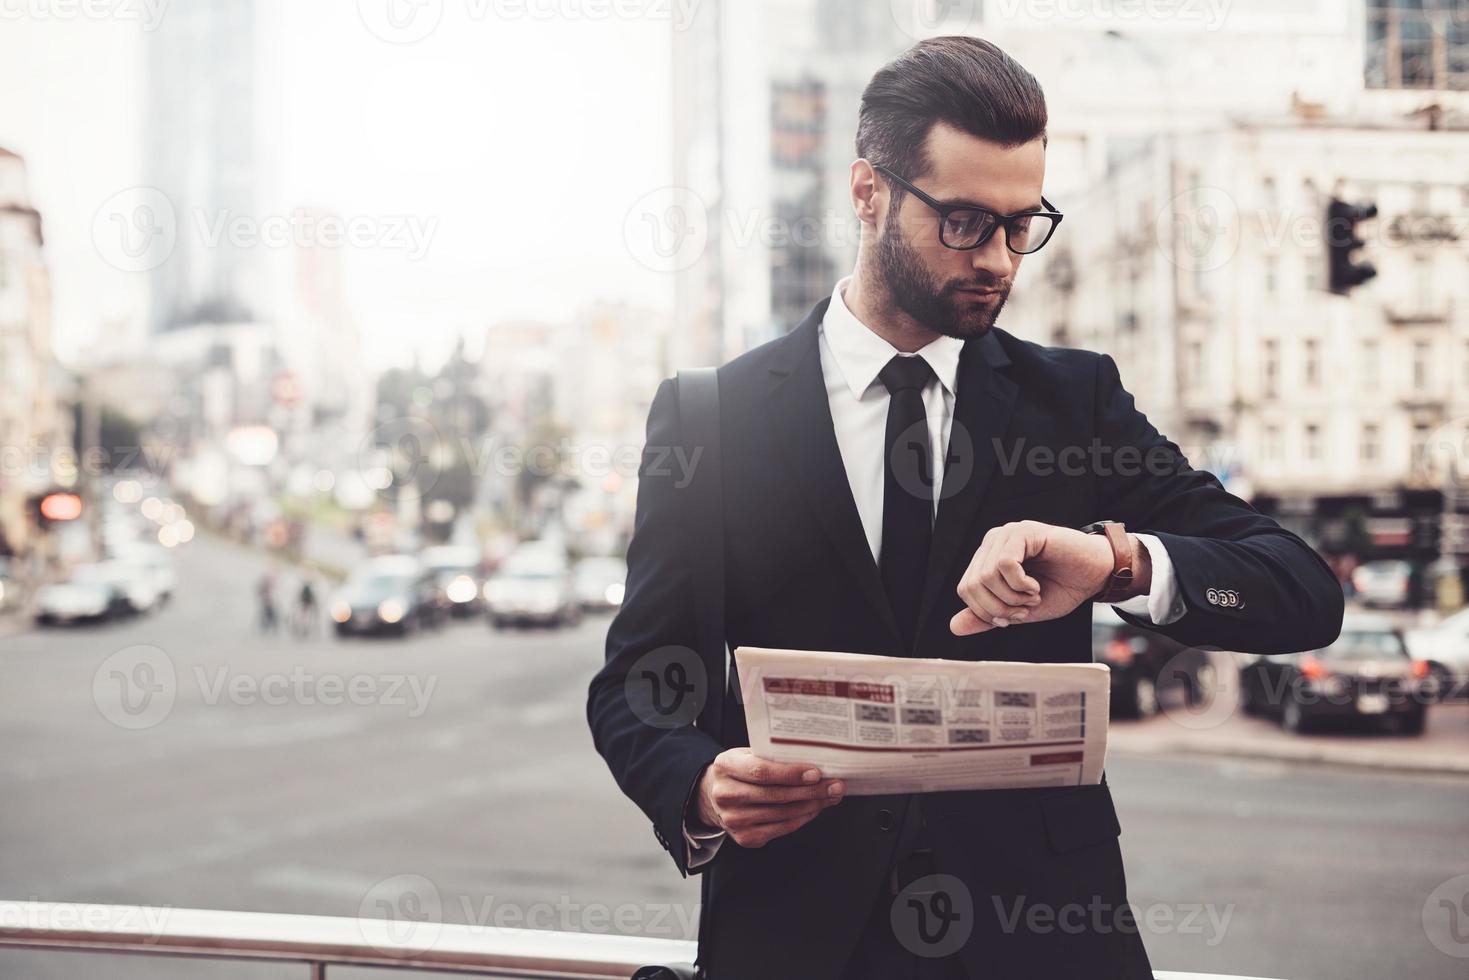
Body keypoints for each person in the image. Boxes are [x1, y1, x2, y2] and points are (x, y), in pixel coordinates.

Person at [588, 36, 1344, 980]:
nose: (997, 259)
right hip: (799, 937)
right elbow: (635, 686)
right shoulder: (713, 417)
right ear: (868, 191)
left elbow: (1302, 590)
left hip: (1038, 942)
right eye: (963, 222)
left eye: (1021, 225)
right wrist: (698, 784)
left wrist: (1116, 564)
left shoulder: (1075, 403)